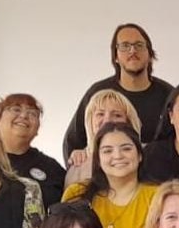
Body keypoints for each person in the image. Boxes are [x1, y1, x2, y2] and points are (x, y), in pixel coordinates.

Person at [63, 23, 173, 158]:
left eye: (139, 45)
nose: (132, 51)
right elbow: (73, 142)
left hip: (156, 175)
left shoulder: (168, 94)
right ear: (115, 56)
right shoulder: (98, 93)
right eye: (125, 46)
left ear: (150, 54)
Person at [63, 123, 158, 228]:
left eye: (126, 148)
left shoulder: (159, 196)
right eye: (107, 151)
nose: (118, 156)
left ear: (139, 155)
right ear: (98, 160)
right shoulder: (77, 194)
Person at [0, 93, 65, 209]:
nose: (24, 115)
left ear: (37, 128)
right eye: (16, 109)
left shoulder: (52, 168)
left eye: (32, 113)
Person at [64, 89, 142, 187]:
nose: (107, 120)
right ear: (90, 122)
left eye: (117, 115)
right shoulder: (78, 165)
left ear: (129, 122)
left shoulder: (149, 155)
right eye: (100, 114)